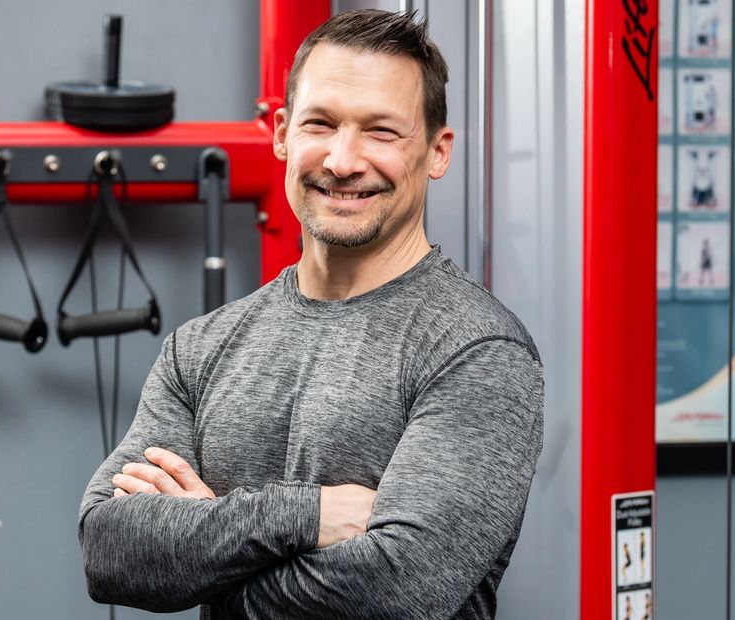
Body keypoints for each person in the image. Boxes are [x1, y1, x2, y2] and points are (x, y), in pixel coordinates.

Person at [78, 9, 544, 619]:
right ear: (282, 134)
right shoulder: (203, 346)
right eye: (320, 124)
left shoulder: (475, 350)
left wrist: (209, 558)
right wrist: (311, 515)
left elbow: (395, 592)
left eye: (382, 132)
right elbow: (110, 550)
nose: (344, 161)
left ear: (437, 150)